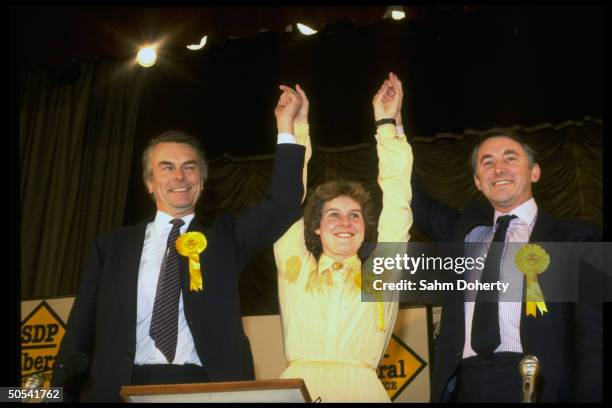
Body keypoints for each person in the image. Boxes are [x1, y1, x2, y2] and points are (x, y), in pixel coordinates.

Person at [52, 86, 307, 402]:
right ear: (149, 182)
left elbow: (283, 204)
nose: (180, 177)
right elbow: (81, 329)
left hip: (204, 387)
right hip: (121, 387)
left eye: (189, 167)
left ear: (201, 180)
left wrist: (286, 127)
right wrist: (57, 393)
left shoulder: (226, 239)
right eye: (167, 167)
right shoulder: (111, 247)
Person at [409, 128, 602, 401]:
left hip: (538, 383)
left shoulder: (581, 236)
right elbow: (410, 198)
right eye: (487, 162)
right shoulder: (463, 232)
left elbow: (594, 333)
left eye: (510, 158)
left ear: (534, 172)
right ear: (478, 181)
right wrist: (389, 126)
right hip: (464, 385)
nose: (498, 169)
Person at [273, 73, 413, 402]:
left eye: (355, 216)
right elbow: (286, 197)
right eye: (333, 214)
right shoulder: (295, 267)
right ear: (316, 227)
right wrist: (295, 127)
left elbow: (397, 194)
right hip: (298, 392)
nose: (345, 222)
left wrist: (385, 123)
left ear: (366, 229)